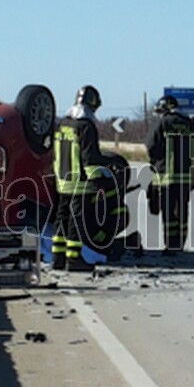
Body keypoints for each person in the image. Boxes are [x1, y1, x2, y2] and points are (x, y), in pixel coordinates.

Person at [52, 85, 122, 273]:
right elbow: (89, 159)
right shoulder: (86, 126)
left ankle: (58, 258)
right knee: (76, 222)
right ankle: (74, 259)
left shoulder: (63, 124)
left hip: (62, 180)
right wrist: (101, 177)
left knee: (61, 219)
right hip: (79, 183)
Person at [147, 95, 194, 254]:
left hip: (167, 176)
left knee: (168, 211)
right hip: (186, 178)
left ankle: (170, 244)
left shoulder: (162, 123)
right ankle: (180, 243)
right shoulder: (192, 125)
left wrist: (156, 163)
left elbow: (151, 146)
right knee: (182, 210)